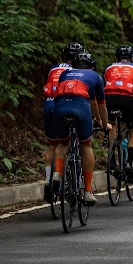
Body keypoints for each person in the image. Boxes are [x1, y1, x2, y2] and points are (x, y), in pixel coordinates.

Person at [51, 52, 110, 205]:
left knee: (63, 143)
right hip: (80, 107)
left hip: (59, 107)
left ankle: (57, 173)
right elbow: (99, 105)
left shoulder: (64, 73)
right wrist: (104, 124)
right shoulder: (96, 77)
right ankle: (88, 191)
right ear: (92, 66)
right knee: (85, 144)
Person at [41, 41, 84, 203]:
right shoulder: (78, 71)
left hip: (48, 105)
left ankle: (47, 181)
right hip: (66, 104)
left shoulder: (53, 68)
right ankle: (66, 176)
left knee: (52, 144)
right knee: (69, 142)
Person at [104, 45, 133, 183]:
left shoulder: (108, 68)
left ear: (116, 58)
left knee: (111, 125)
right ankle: (129, 162)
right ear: (132, 58)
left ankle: (112, 159)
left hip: (109, 98)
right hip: (126, 99)